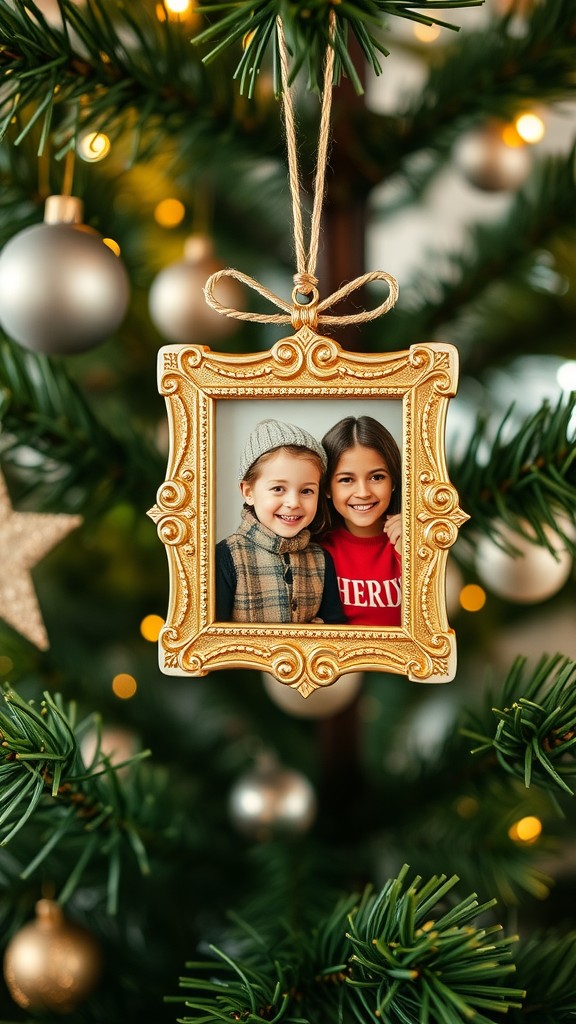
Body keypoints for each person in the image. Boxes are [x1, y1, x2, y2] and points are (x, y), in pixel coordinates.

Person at [215, 419, 345, 624]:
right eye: (278, 489)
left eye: (306, 491)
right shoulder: (226, 557)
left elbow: (336, 627)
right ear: (248, 492)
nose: (293, 502)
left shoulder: (321, 559)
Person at [319, 415, 402, 627]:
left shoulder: (413, 542)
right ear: (328, 487)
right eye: (347, 480)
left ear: (393, 481)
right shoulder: (316, 550)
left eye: (377, 477)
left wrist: (411, 554)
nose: (363, 493)